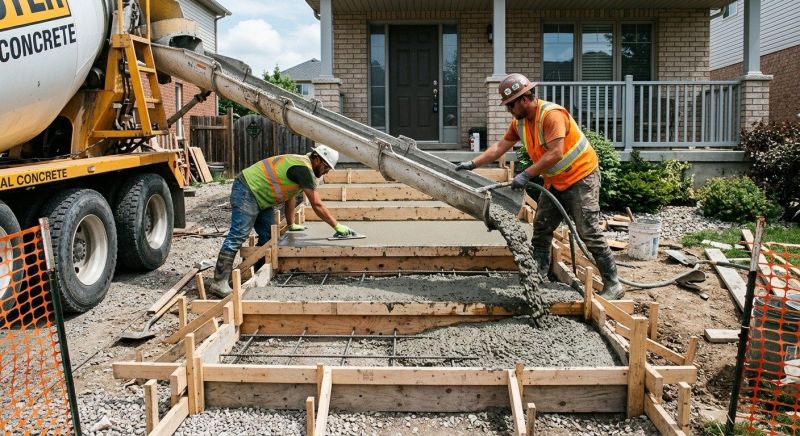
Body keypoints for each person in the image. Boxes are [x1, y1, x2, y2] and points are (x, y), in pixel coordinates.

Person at [455, 73, 623, 300]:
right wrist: (473, 164)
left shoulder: (551, 115)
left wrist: (525, 175)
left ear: (524, 99)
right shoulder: (520, 122)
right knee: (542, 227)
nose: (508, 110)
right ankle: (539, 271)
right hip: (555, 180)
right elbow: (501, 146)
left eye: (510, 105)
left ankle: (613, 284)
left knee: (588, 231)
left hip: (581, 177)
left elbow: (556, 153)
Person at [209, 144, 354, 296]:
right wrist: (336, 226)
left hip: (260, 195)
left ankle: (259, 274)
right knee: (238, 235)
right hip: (248, 190)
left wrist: (291, 223)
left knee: (268, 237)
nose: (326, 171)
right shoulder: (304, 169)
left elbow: (289, 194)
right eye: (326, 167)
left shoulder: (301, 165)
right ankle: (219, 282)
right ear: (317, 160)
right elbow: (316, 204)